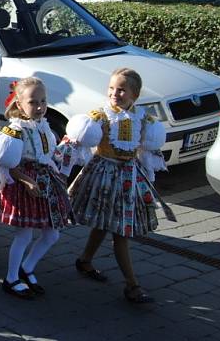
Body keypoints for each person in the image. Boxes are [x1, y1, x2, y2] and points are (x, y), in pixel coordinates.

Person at [62, 68, 175, 304]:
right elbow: (79, 139)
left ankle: (85, 260)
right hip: (103, 175)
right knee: (119, 231)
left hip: (129, 177)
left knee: (110, 226)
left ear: (135, 94)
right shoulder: (100, 116)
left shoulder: (143, 118)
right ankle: (132, 286)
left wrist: (149, 177)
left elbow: (146, 149)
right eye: (112, 88)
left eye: (122, 89)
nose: (115, 93)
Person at [0, 77, 73, 299]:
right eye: (33, 102)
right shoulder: (15, 131)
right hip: (25, 185)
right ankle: (11, 278)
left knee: (52, 234)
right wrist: (25, 179)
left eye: (43, 100)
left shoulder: (44, 126)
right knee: (24, 235)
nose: (40, 106)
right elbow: (6, 163)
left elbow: (48, 155)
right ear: (19, 104)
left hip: (45, 182)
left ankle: (28, 267)